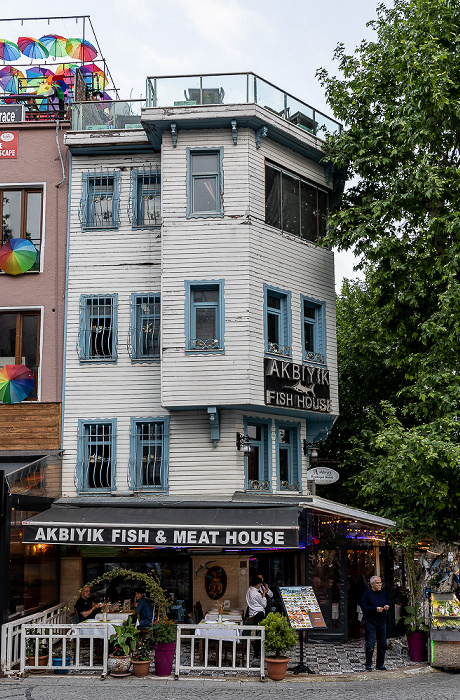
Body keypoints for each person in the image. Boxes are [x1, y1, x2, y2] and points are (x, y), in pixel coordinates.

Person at [361, 575, 390, 671]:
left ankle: (380, 664)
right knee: (370, 644)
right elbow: (364, 607)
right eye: (377, 583)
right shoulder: (367, 594)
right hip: (371, 621)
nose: (380, 585)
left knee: (382, 644)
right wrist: (375, 609)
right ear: (372, 584)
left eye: (380, 583)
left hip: (382, 621)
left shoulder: (383, 593)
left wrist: (386, 606)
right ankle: (368, 664)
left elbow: (388, 603)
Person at [245, 576, 268, 661]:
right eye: (260, 584)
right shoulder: (257, 594)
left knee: (258, 633)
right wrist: (264, 593)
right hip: (259, 614)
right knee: (260, 633)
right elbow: (264, 604)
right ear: (258, 584)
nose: (260, 585)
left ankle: (257, 651)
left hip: (252, 613)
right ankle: (257, 652)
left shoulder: (249, 590)